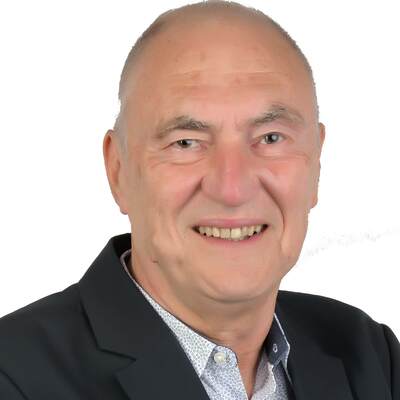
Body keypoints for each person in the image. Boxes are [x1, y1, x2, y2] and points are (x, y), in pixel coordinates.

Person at [0, 1, 399, 399]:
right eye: (186, 142)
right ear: (118, 170)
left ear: (316, 162)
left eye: (271, 138)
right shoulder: (14, 376)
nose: (232, 189)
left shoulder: (370, 356)